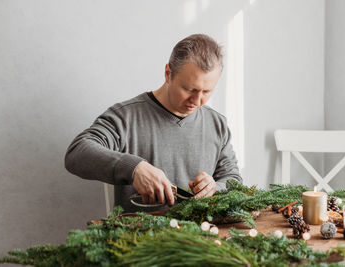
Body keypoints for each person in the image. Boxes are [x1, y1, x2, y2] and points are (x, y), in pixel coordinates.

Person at [64, 33, 242, 212]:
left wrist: (215, 187)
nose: (197, 101)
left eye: (206, 92)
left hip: (204, 235)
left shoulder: (216, 123)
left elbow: (233, 179)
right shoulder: (125, 117)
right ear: (168, 73)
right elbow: (77, 153)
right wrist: (134, 168)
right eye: (189, 89)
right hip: (139, 236)